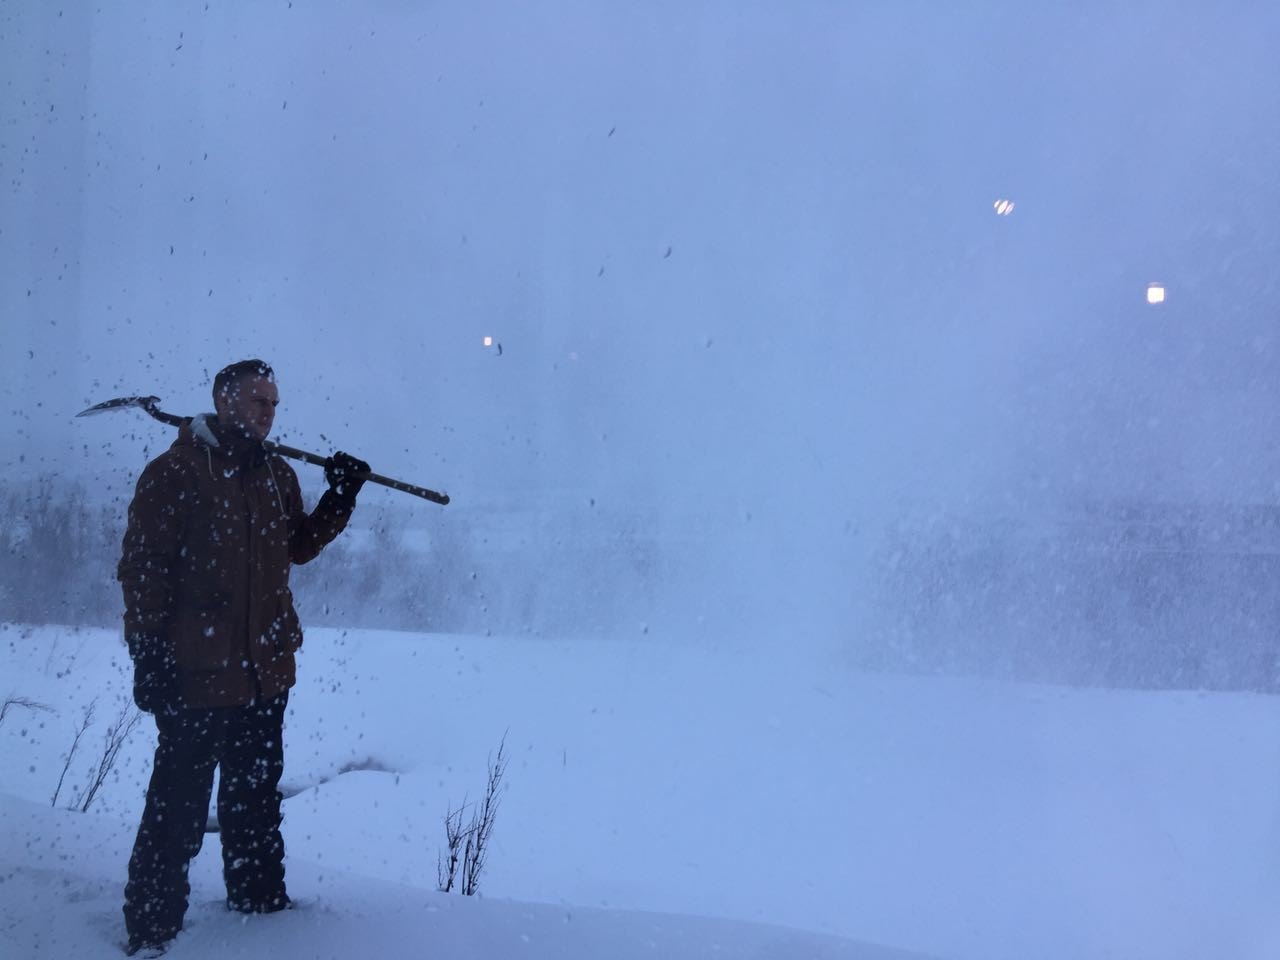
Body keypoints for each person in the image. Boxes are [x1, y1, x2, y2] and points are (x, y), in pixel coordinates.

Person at [118, 359, 369, 956]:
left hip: (265, 673)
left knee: (255, 801)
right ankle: (152, 929)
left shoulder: (275, 474)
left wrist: (339, 497)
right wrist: (149, 653)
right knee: (176, 810)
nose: (269, 411)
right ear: (223, 400)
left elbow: (297, 548)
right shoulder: (175, 472)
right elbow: (143, 570)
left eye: (275, 403)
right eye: (259, 401)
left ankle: (259, 903)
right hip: (195, 677)